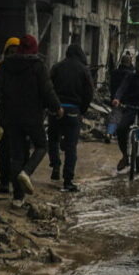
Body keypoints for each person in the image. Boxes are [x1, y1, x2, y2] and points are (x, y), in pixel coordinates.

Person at [0, 35, 58, 204]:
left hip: (9, 118)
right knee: (41, 145)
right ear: (34, 48)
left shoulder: (4, 66)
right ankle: (26, 172)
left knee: (16, 155)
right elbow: (47, 91)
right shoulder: (38, 66)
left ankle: (18, 198)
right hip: (32, 117)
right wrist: (57, 108)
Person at [46, 43, 94, 192]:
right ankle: (68, 181)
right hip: (74, 110)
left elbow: (48, 87)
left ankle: (55, 165)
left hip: (57, 109)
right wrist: (82, 110)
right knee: (71, 147)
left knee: (53, 139)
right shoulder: (84, 70)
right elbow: (89, 92)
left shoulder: (57, 67)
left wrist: (51, 106)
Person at [110, 55, 139, 172]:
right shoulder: (130, 75)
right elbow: (122, 88)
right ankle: (124, 156)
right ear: (135, 64)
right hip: (131, 106)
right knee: (121, 128)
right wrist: (117, 98)